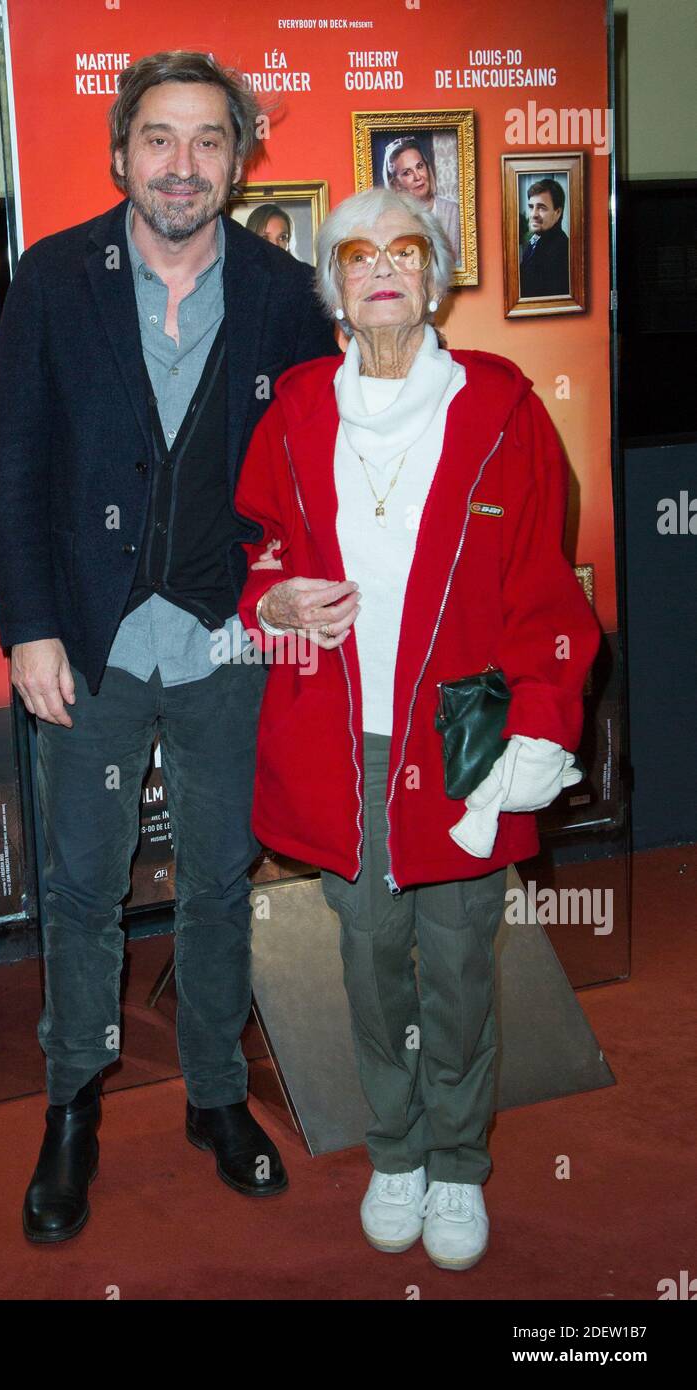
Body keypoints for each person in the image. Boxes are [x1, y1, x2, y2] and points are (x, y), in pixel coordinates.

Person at [0, 49, 340, 1244]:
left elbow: (308, 479)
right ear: (120, 150)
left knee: (220, 879)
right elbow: (12, 468)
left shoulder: (289, 292)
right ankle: (70, 1108)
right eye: (158, 139)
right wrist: (28, 625)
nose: (181, 165)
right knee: (80, 886)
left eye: (206, 141)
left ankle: (217, 1098)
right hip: (84, 641)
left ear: (239, 159)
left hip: (229, 637)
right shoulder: (48, 280)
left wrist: (280, 589)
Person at [234, 187, 600, 1271]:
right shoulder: (296, 405)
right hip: (345, 744)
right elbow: (251, 548)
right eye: (356, 254)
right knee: (367, 962)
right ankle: (392, 1148)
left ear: (434, 277)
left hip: (461, 744)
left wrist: (539, 724)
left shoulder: (499, 408)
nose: (381, 267)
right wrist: (273, 600)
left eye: (405, 249)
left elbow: (546, 594)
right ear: (335, 287)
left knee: (455, 969)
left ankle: (455, 1165)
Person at [384, 136, 461, 265]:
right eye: (407, 173)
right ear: (396, 184)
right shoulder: (391, 221)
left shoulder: (454, 212)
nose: (418, 177)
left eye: (420, 166)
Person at [519, 178, 570, 298]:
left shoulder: (561, 249)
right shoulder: (536, 238)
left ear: (557, 212)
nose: (533, 214)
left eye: (541, 208)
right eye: (531, 207)